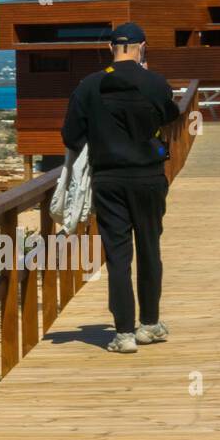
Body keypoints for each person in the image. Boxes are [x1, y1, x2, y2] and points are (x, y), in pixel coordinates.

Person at [61, 22, 181, 354]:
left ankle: (124, 333)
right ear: (142, 47)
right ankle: (150, 325)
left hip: (108, 179)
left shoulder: (89, 86)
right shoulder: (155, 83)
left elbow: (71, 136)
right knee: (149, 249)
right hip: (149, 178)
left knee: (117, 256)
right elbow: (171, 116)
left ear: (111, 48)